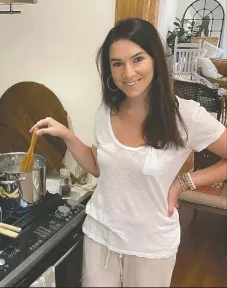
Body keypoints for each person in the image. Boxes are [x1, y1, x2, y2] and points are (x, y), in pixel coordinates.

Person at [30, 18, 227, 287]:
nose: (128, 73)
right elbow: (98, 167)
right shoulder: (106, 111)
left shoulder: (185, 116)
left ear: (155, 59)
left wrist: (184, 183)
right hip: (100, 236)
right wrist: (67, 134)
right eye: (117, 63)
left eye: (138, 59)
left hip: (151, 246)